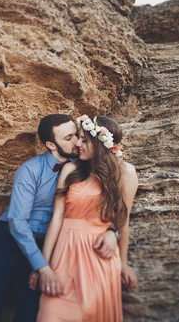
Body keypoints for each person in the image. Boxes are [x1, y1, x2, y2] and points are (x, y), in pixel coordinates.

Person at [0, 114, 120, 322]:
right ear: (51, 144)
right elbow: (17, 222)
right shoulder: (30, 170)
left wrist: (113, 232)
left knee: (30, 311)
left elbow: (103, 209)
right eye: (68, 138)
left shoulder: (86, 168)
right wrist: (42, 266)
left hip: (49, 244)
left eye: (77, 136)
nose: (77, 142)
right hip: (11, 241)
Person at [32, 115, 139, 322]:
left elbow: (123, 220)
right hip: (64, 256)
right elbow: (57, 219)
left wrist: (123, 263)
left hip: (98, 257)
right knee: (50, 313)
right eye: (78, 138)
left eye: (84, 140)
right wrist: (42, 266)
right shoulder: (70, 169)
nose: (77, 144)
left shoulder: (125, 172)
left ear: (99, 143)